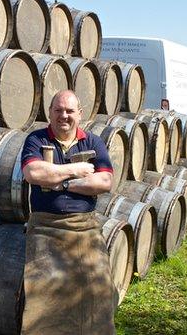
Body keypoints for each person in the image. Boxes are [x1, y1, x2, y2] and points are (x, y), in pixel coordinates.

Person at [20, 90, 116, 335]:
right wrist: (76, 170)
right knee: (44, 291)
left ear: (79, 115)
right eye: (58, 110)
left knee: (100, 286)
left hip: (85, 226)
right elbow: (34, 174)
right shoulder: (36, 139)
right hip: (45, 226)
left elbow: (104, 182)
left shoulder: (93, 142)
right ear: (49, 113)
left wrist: (60, 182)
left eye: (69, 111)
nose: (64, 115)